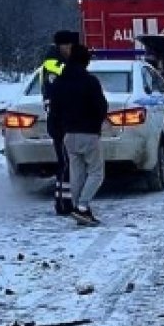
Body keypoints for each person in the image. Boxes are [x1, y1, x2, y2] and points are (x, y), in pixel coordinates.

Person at [49, 44, 109, 226]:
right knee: (97, 173)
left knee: (77, 174)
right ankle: (82, 207)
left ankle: (79, 207)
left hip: (68, 134)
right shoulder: (90, 81)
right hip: (89, 133)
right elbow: (101, 106)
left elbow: (54, 110)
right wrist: (98, 121)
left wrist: (59, 128)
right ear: (85, 61)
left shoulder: (59, 82)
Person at [40, 30, 79, 215]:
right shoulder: (53, 65)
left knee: (66, 162)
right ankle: (64, 203)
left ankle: (63, 199)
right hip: (60, 122)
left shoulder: (58, 62)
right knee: (66, 162)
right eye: (69, 45)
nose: (71, 49)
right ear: (61, 45)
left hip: (63, 121)